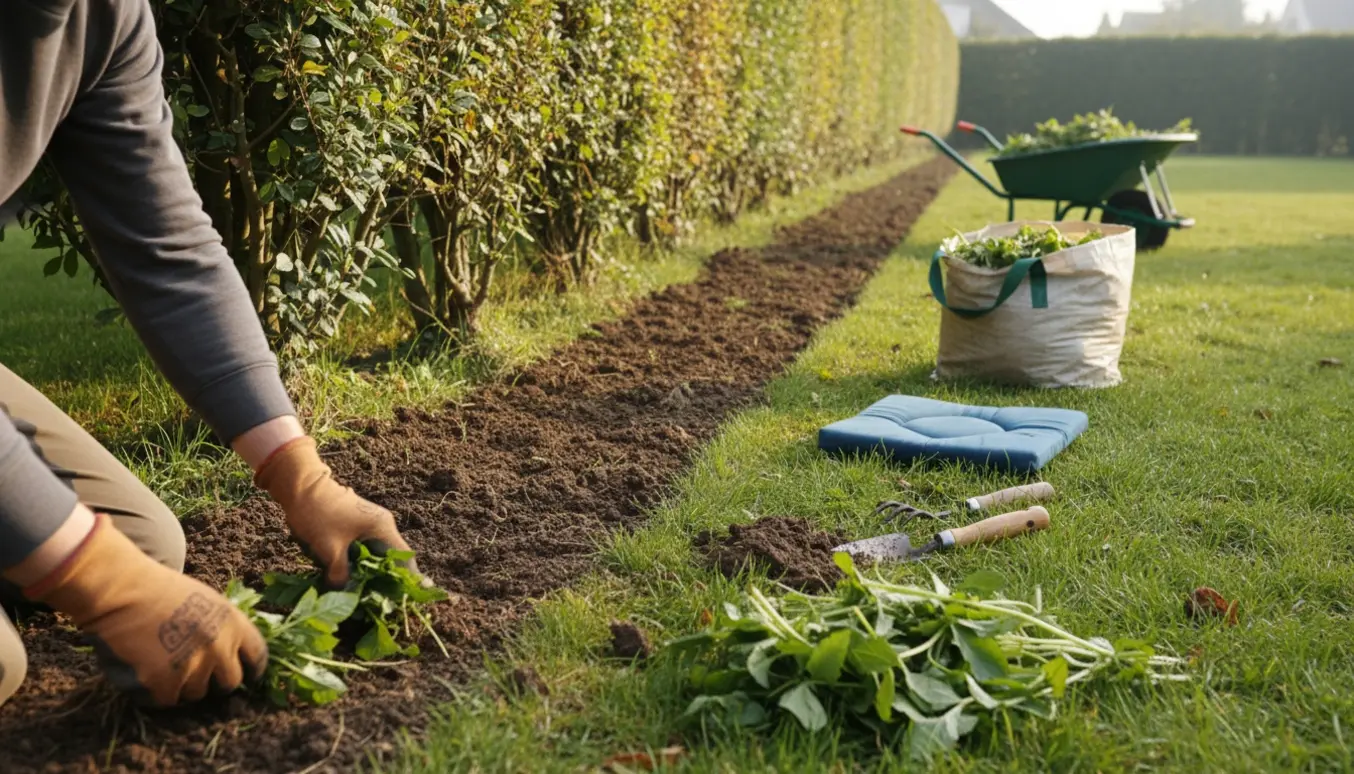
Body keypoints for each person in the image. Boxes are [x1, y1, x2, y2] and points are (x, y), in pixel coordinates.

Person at [0, 0, 420, 708]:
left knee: (145, 545)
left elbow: (170, 252)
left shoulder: (101, 17)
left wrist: (304, 480)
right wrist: (104, 581)